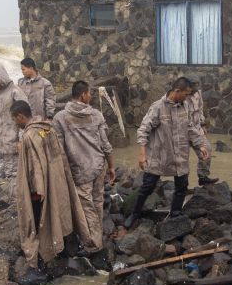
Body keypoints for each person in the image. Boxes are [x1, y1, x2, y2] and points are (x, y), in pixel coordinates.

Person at [11, 100, 91, 284]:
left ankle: (39, 267)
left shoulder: (30, 136)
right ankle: (65, 252)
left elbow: (34, 169)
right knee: (61, 215)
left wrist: (36, 194)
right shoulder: (48, 128)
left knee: (39, 226)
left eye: (15, 119)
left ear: (21, 116)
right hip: (57, 183)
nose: (15, 123)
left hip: (40, 191)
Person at [124, 77, 210, 229]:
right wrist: (142, 154)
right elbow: (143, 130)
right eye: (186, 94)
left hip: (180, 155)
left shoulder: (184, 106)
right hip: (159, 155)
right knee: (148, 186)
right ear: (177, 91)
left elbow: (190, 127)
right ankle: (135, 214)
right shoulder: (158, 107)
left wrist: (200, 145)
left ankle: (175, 213)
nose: (188, 97)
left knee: (182, 186)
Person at [52, 80, 115, 252]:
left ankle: (94, 243)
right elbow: (105, 144)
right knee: (97, 200)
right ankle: (97, 237)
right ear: (83, 95)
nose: (91, 96)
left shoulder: (60, 118)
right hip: (98, 165)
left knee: (86, 206)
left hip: (79, 169)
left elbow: (59, 151)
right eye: (90, 93)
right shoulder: (96, 115)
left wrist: (64, 174)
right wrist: (111, 166)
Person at [0, 62, 26, 175]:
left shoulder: (15, 92)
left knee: (17, 174)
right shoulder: (0, 94)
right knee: (9, 173)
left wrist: (21, 139)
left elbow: (25, 117)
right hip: (5, 143)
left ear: (2, 78)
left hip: (15, 143)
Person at [185, 81, 217, 186]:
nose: (196, 87)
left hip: (196, 128)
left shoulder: (198, 93)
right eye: (194, 84)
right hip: (183, 132)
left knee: (207, 149)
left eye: (197, 84)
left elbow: (200, 110)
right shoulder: (182, 96)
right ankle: (182, 184)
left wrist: (202, 125)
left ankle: (203, 176)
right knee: (182, 159)